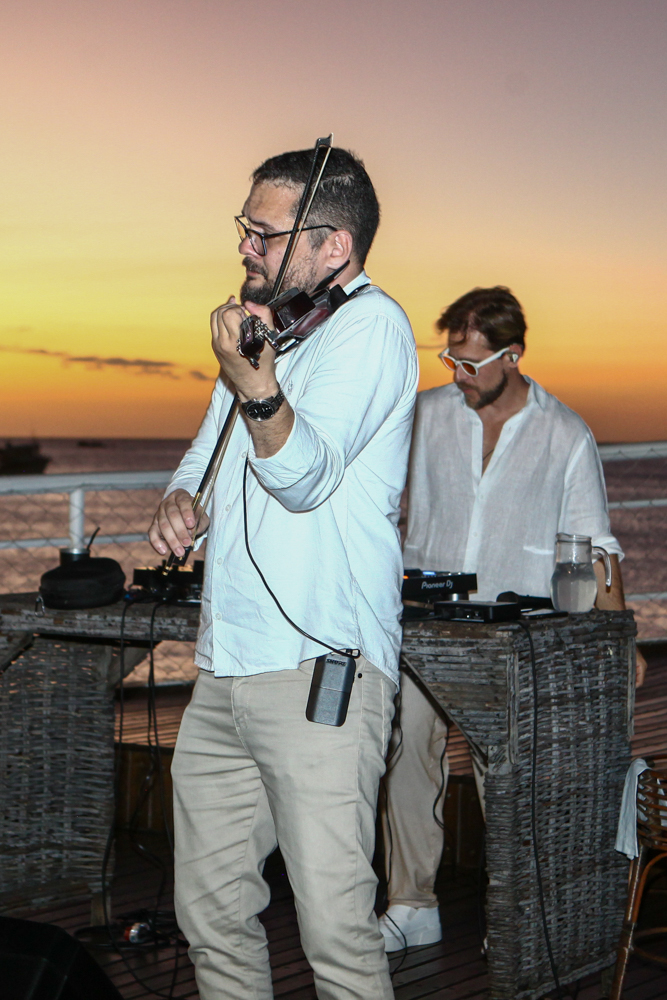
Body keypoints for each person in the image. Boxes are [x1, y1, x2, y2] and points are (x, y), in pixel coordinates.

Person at [148, 146, 418, 1000]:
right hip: (224, 666)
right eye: (245, 228)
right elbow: (206, 452)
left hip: (318, 668)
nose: (245, 247)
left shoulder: (373, 328)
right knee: (210, 914)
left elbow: (303, 477)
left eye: (263, 233)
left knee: (335, 930)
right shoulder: (272, 331)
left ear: (333, 246)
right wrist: (180, 499)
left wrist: (256, 385)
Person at [379, 285, 646, 952]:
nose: (458, 375)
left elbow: (595, 548)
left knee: (513, 776)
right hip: (424, 629)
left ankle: (520, 920)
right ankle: (411, 905)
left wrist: (620, 641)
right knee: (406, 750)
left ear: (513, 355)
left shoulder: (565, 433)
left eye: (471, 363)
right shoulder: (422, 415)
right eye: (450, 359)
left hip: (514, 642)